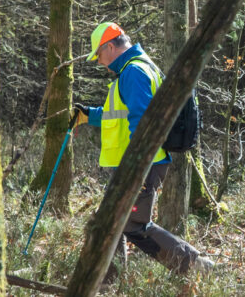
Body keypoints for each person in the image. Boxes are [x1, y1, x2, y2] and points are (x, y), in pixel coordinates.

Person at [73, 22, 214, 278]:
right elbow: (120, 115)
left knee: (133, 225)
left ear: (110, 46)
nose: (99, 62)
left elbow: (142, 121)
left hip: (141, 163)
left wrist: (136, 167)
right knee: (109, 221)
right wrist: (88, 116)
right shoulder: (135, 69)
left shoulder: (134, 72)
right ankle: (108, 281)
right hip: (138, 162)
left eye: (99, 56)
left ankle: (197, 267)